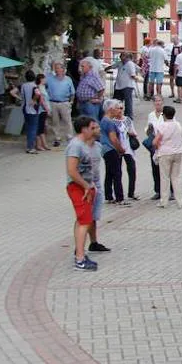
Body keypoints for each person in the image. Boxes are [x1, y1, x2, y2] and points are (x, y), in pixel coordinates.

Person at [65, 116, 104, 271]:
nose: (94, 130)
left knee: (83, 220)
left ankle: (80, 252)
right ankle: (80, 259)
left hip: (86, 186)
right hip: (78, 187)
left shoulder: (85, 145)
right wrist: (85, 186)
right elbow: (72, 170)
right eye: (92, 128)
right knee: (84, 221)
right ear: (84, 129)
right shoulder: (75, 146)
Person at [152, 105, 182, 210]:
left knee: (165, 178)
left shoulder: (162, 126)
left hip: (165, 153)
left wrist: (157, 148)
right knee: (176, 177)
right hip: (178, 152)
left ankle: (164, 201)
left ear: (164, 115)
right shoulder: (178, 125)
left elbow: (155, 141)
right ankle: (180, 201)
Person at [99, 99, 132, 206]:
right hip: (111, 149)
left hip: (104, 149)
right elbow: (113, 139)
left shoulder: (104, 120)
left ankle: (109, 195)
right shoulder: (109, 122)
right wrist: (120, 149)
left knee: (109, 173)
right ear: (110, 109)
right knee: (117, 173)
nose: (118, 110)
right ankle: (120, 198)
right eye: (117, 108)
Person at [45, 62, 76, 147]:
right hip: (53, 102)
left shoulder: (68, 79)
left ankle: (69, 137)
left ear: (63, 69)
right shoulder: (50, 78)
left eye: (59, 68)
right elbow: (42, 84)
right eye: (56, 68)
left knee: (67, 121)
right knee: (55, 122)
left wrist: (71, 102)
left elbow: (72, 92)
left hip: (64, 102)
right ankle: (57, 138)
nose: (57, 70)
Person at [22, 70, 47, 154]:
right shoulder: (34, 86)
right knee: (33, 128)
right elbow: (37, 94)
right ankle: (31, 147)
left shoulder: (23, 85)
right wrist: (33, 100)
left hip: (25, 108)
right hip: (33, 109)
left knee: (28, 128)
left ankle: (29, 146)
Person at [111, 53, 139, 119]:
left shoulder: (130, 64)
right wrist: (105, 69)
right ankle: (117, 114)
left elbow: (133, 74)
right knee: (117, 101)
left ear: (126, 57)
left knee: (128, 102)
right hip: (119, 85)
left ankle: (129, 116)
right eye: (121, 57)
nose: (122, 59)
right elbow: (112, 66)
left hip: (127, 85)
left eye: (123, 57)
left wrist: (136, 78)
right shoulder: (120, 63)